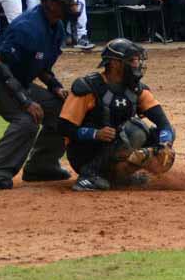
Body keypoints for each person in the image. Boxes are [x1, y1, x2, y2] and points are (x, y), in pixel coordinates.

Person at [0, 0, 81, 189]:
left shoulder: (55, 26)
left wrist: (56, 87)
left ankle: (41, 166)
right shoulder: (27, 28)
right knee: (27, 119)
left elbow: (40, 66)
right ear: (50, 3)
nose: (73, 5)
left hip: (20, 82)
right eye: (67, 1)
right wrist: (26, 102)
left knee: (64, 111)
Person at [58, 38, 176, 191]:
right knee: (124, 133)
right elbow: (63, 127)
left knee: (163, 134)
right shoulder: (88, 87)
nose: (137, 65)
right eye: (132, 60)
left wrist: (164, 145)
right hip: (84, 153)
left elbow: (163, 123)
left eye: (138, 60)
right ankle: (88, 176)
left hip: (117, 146)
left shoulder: (137, 89)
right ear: (114, 63)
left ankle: (121, 175)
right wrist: (95, 134)